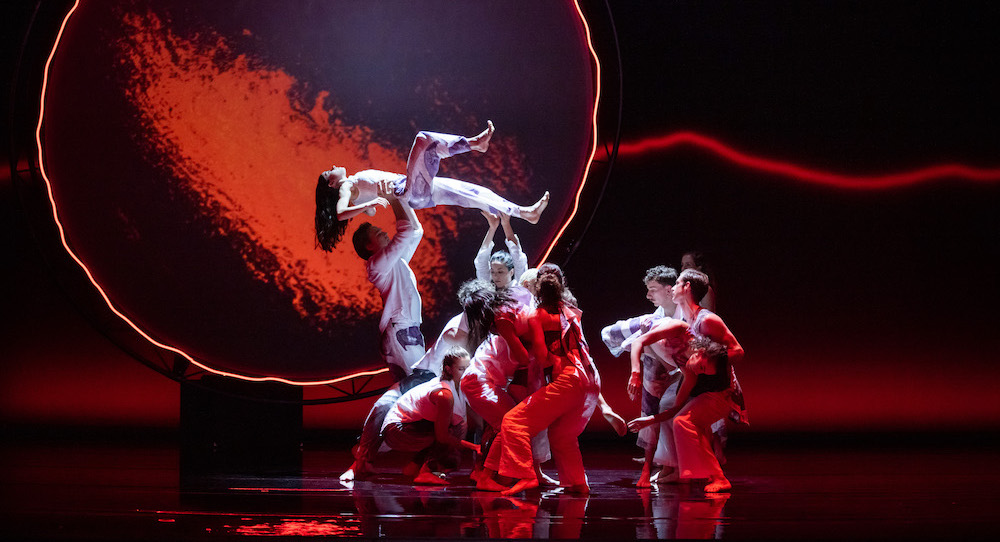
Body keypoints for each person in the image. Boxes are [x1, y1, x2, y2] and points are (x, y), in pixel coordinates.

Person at [339, 279, 497, 482]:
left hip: (448, 382)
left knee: (460, 424)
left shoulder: (481, 326)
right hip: (428, 376)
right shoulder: (458, 331)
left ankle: (428, 466)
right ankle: (360, 463)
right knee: (382, 406)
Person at [315, 121, 549, 250]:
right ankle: (475, 144)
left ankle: (524, 213)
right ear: (332, 183)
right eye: (329, 171)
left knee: (472, 192)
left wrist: (370, 204)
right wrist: (374, 200)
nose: (334, 165)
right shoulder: (346, 186)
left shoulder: (354, 188)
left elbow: (370, 209)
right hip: (408, 191)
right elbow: (341, 213)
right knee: (423, 140)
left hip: (413, 192)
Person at [480, 263, 601, 495]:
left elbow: (544, 357)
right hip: (585, 380)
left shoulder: (538, 315)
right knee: (562, 435)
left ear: (537, 289)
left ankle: (526, 476)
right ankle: (577, 482)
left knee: (513, 422)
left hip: (565, 380)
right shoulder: (571, 311)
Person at [601, 265, 683, 488]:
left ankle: (670, 466)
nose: (648, 295)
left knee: (667, 412)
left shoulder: (683, 312)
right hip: (658, 366)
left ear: (669, 290)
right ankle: (649, 467)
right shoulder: (656, 316)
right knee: (651, 410)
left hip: (682, 370)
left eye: (653, 289)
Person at [627, 334, 737, 493]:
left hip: (720, 398)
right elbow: (675, 409)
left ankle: (716, 476)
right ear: (700, 353)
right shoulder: (684, 337)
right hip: (712, 397)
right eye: (701, 367)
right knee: (684, 422)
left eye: (703, 370)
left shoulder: (693, 372)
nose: (699, 372)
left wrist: (650, 420)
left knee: (683, 421)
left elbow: (676, 409)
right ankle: (712, 475)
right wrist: (649, 420)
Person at [381, 346, 481, 485]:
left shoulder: (454, 388)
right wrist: (473, 447)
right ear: (448, 369)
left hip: (411, 426)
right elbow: (442, 436)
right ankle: (427, 472)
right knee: (448, 432)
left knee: (450, 431)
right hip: (396, 430)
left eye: (467, 368)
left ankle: (416, 466)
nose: (466, 373)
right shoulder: (444, 394)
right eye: (461, 369)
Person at [475, 211, 533, 306]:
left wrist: (506, 224)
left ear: (511, 272)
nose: (495, 276)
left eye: (500, 271)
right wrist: (492, 228)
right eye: (492, 271)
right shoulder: (488, 291)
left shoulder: (519, 287)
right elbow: (480, 261)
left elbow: (517, 256)